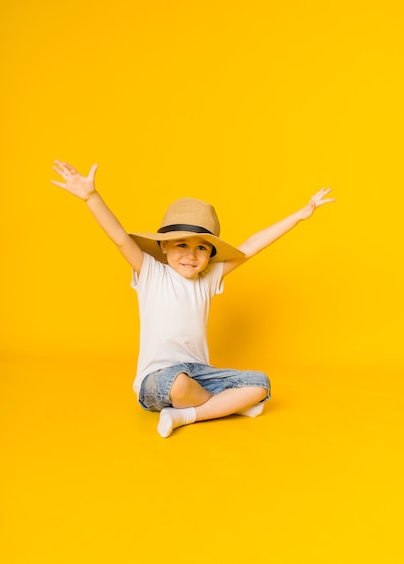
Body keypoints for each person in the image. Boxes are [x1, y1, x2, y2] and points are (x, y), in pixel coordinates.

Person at [52, 160, 335, 437]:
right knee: (178, 385)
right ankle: (223, 407)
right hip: (159, 379)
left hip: (200, 374)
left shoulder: (208, 278)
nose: (191, 255)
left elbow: (249, 246)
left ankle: (186, 415)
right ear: (163, 246)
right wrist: (91, 197)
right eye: (182, 245)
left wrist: (298, 216)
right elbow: (120, 238)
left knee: (261, 385)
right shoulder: (152, 272)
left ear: (210, 254)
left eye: (202, 248)